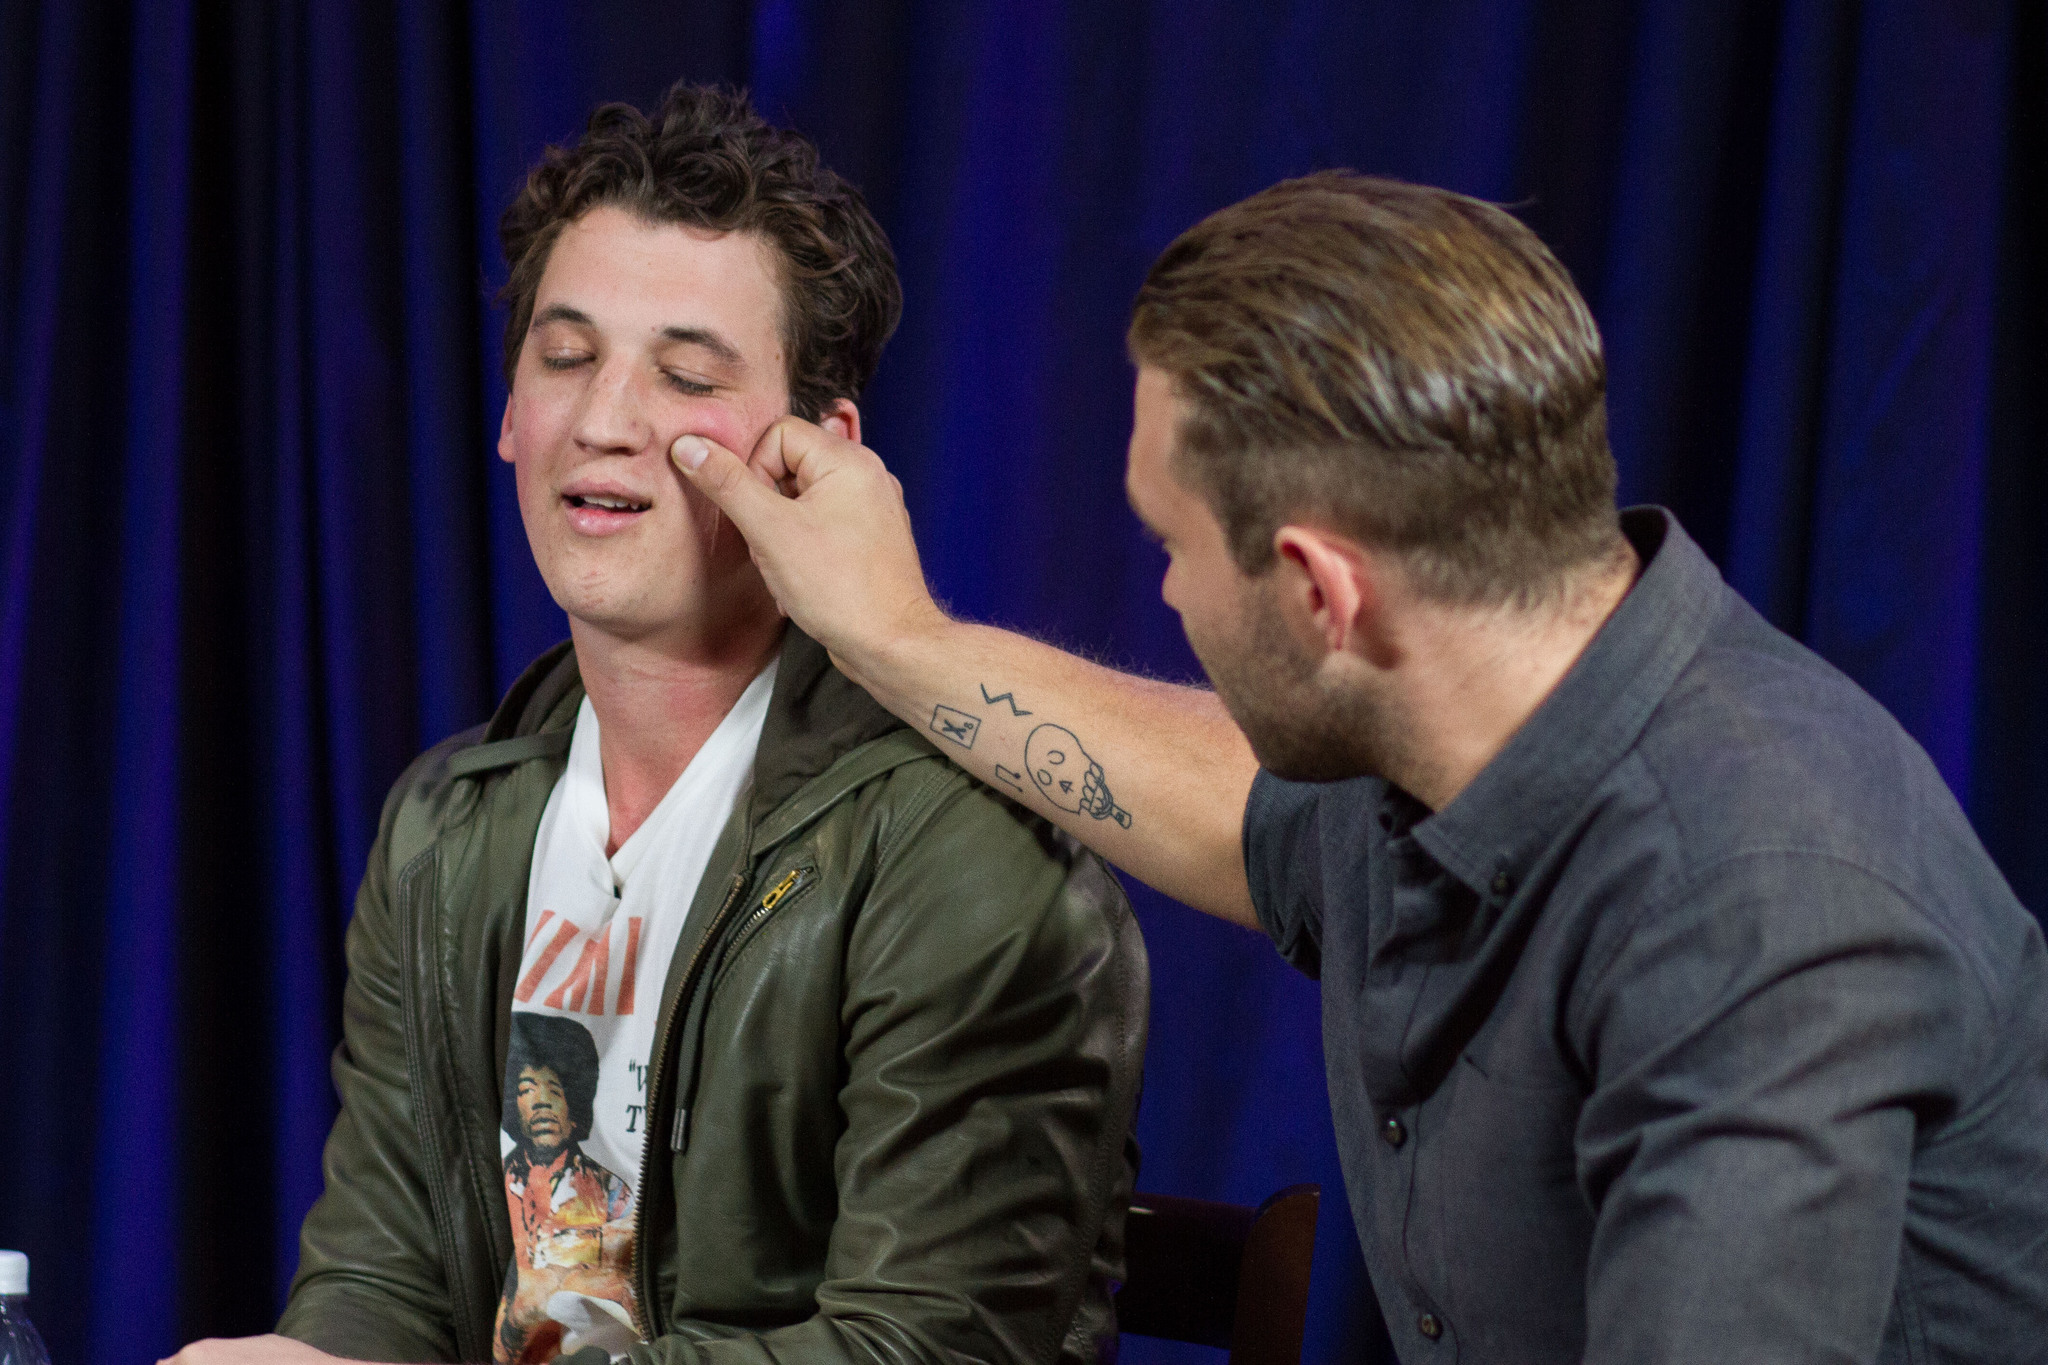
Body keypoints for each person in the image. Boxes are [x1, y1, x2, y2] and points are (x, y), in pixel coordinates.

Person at [668, 172, 2048, 1363]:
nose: (1164, 597)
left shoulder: (1763, 905)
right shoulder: (1452, 734)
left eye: (1173, 548)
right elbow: (1225, 805)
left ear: (1324, 594)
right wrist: (894, 634)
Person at [164, 84, 1146, 1365]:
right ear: (513, 417)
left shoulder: (965, 851)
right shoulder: (449, 827)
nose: (606, 421)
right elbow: (383, 1278)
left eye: (684, 375)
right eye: (565, 359)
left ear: (815, 455)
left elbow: (921, 1352)